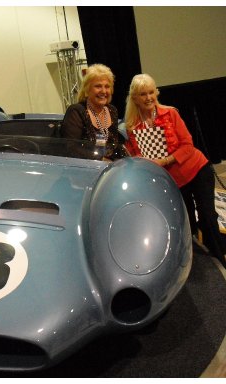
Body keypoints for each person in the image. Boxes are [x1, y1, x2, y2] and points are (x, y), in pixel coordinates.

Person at [124, 73, 226, 268]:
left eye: (151, 92)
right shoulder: (132, 126)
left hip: (196, 170)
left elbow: (188, 145)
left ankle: (219, 260)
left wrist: (165, 160)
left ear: (156, 92)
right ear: (135, 98)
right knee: (186, 221)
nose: (148, 98)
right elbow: (136, 155)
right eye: (143, 94)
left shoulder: (170, 114)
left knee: (207, 215)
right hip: (174, 182)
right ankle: (199, 264)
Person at [60, 63, 127, 160]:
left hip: (110, 168)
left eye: (107, 86)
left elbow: (113, 146)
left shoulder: (112, 110)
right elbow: (71, 149)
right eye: (98, 86)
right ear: (87, 90)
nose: (103, 91)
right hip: (85, 169)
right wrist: (101, 160)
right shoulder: (76, 111)